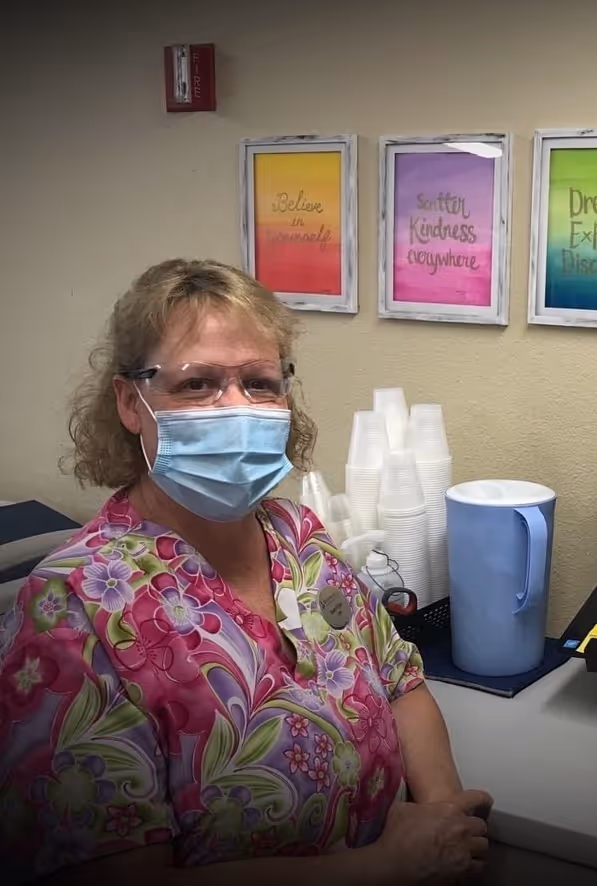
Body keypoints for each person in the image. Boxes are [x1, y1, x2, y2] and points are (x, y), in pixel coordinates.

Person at [0, 260, 492, 884]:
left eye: (259, 383)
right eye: (198, 384)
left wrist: (443, 816)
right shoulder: (73, 612)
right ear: (130, 401)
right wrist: (383, 867)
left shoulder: (297, 537)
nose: (236, 408)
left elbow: (400, 681)